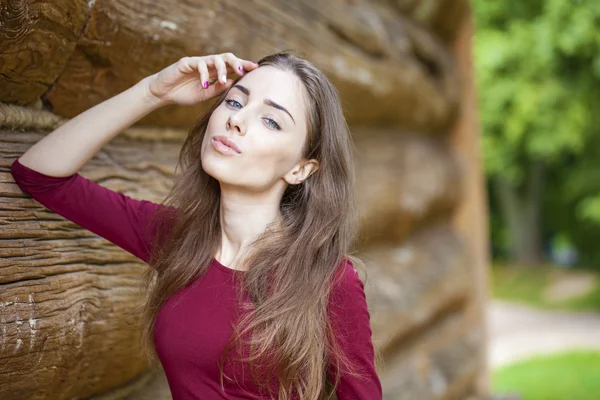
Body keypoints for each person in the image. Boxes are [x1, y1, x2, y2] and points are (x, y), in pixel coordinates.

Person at [11, 51, 383, 399]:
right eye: (235, 101)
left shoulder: (327, 279)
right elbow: (39, 175)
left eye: (271, 121)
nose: (235, 119)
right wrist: (153, 91)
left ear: (301, 169)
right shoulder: (178, 237)